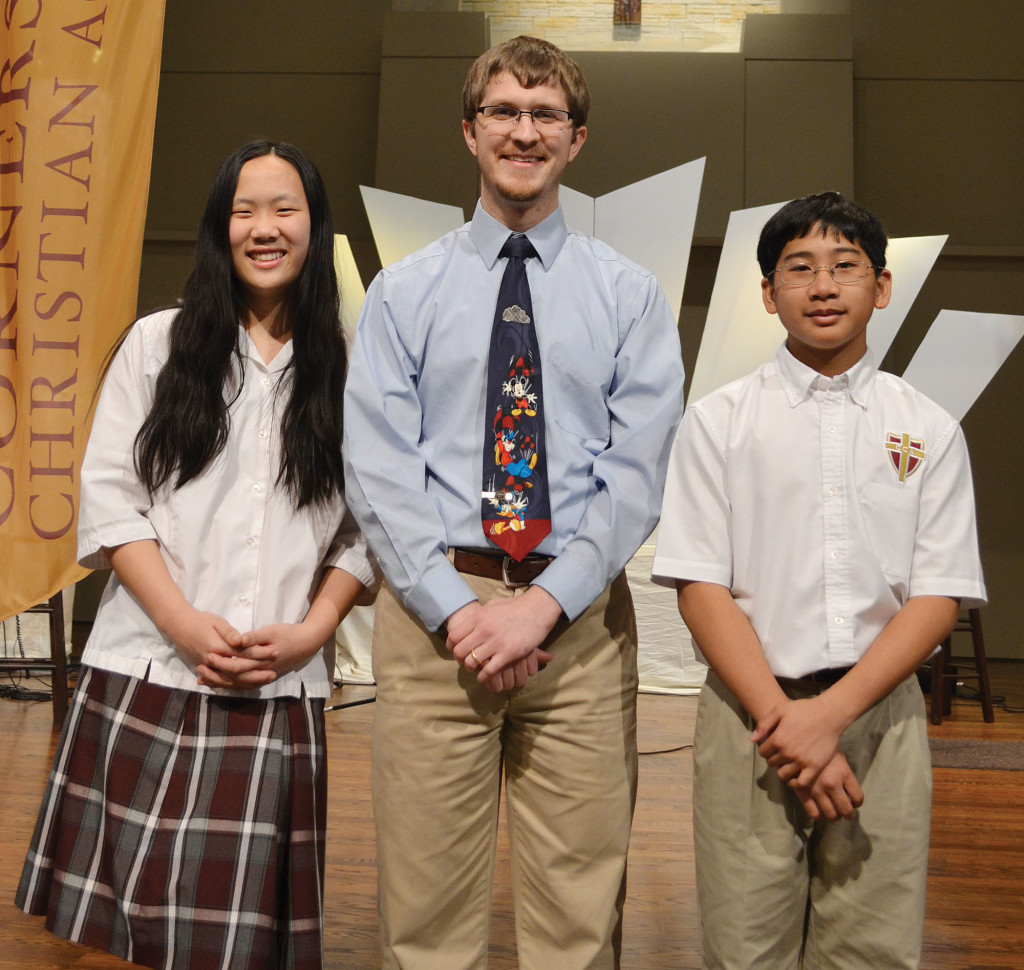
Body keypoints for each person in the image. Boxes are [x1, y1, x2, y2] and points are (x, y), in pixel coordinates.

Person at [343, 35, 685, 970]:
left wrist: (540, 606)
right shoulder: (404, 294)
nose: (523, 131)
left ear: (577, 140)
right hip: (432, 628)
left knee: (580, 922)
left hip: (573, 633)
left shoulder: (630, 298)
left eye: (545, 116)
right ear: (469, 131)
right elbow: (378, 469)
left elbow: (638, 471)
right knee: (422, 919)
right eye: (503, 111)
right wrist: (460, 616)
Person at [16, 141, 377, 970]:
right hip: (150, 669)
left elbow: (368, 529)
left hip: (277, 684)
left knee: (241, 942)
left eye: (285, 209)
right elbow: (110, 499)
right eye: (244, 210)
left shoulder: (350, 367)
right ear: (219, 227)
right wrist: (180, 623)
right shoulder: (158, 345)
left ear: (315, 229)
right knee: (143, 926)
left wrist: (315, 630)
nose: (264, 228)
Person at [652, 192, 987, 969]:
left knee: (873, 949)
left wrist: (831, 716)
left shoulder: (928, 427)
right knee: (744, 949)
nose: (824, 286)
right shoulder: (718, 421)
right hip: (750, 718)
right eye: (799, 269)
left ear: (883, 285)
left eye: (846, 267)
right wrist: (790, 721)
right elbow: (701, 588)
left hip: (883, 717)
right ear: (768, 295)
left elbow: (937, 596)